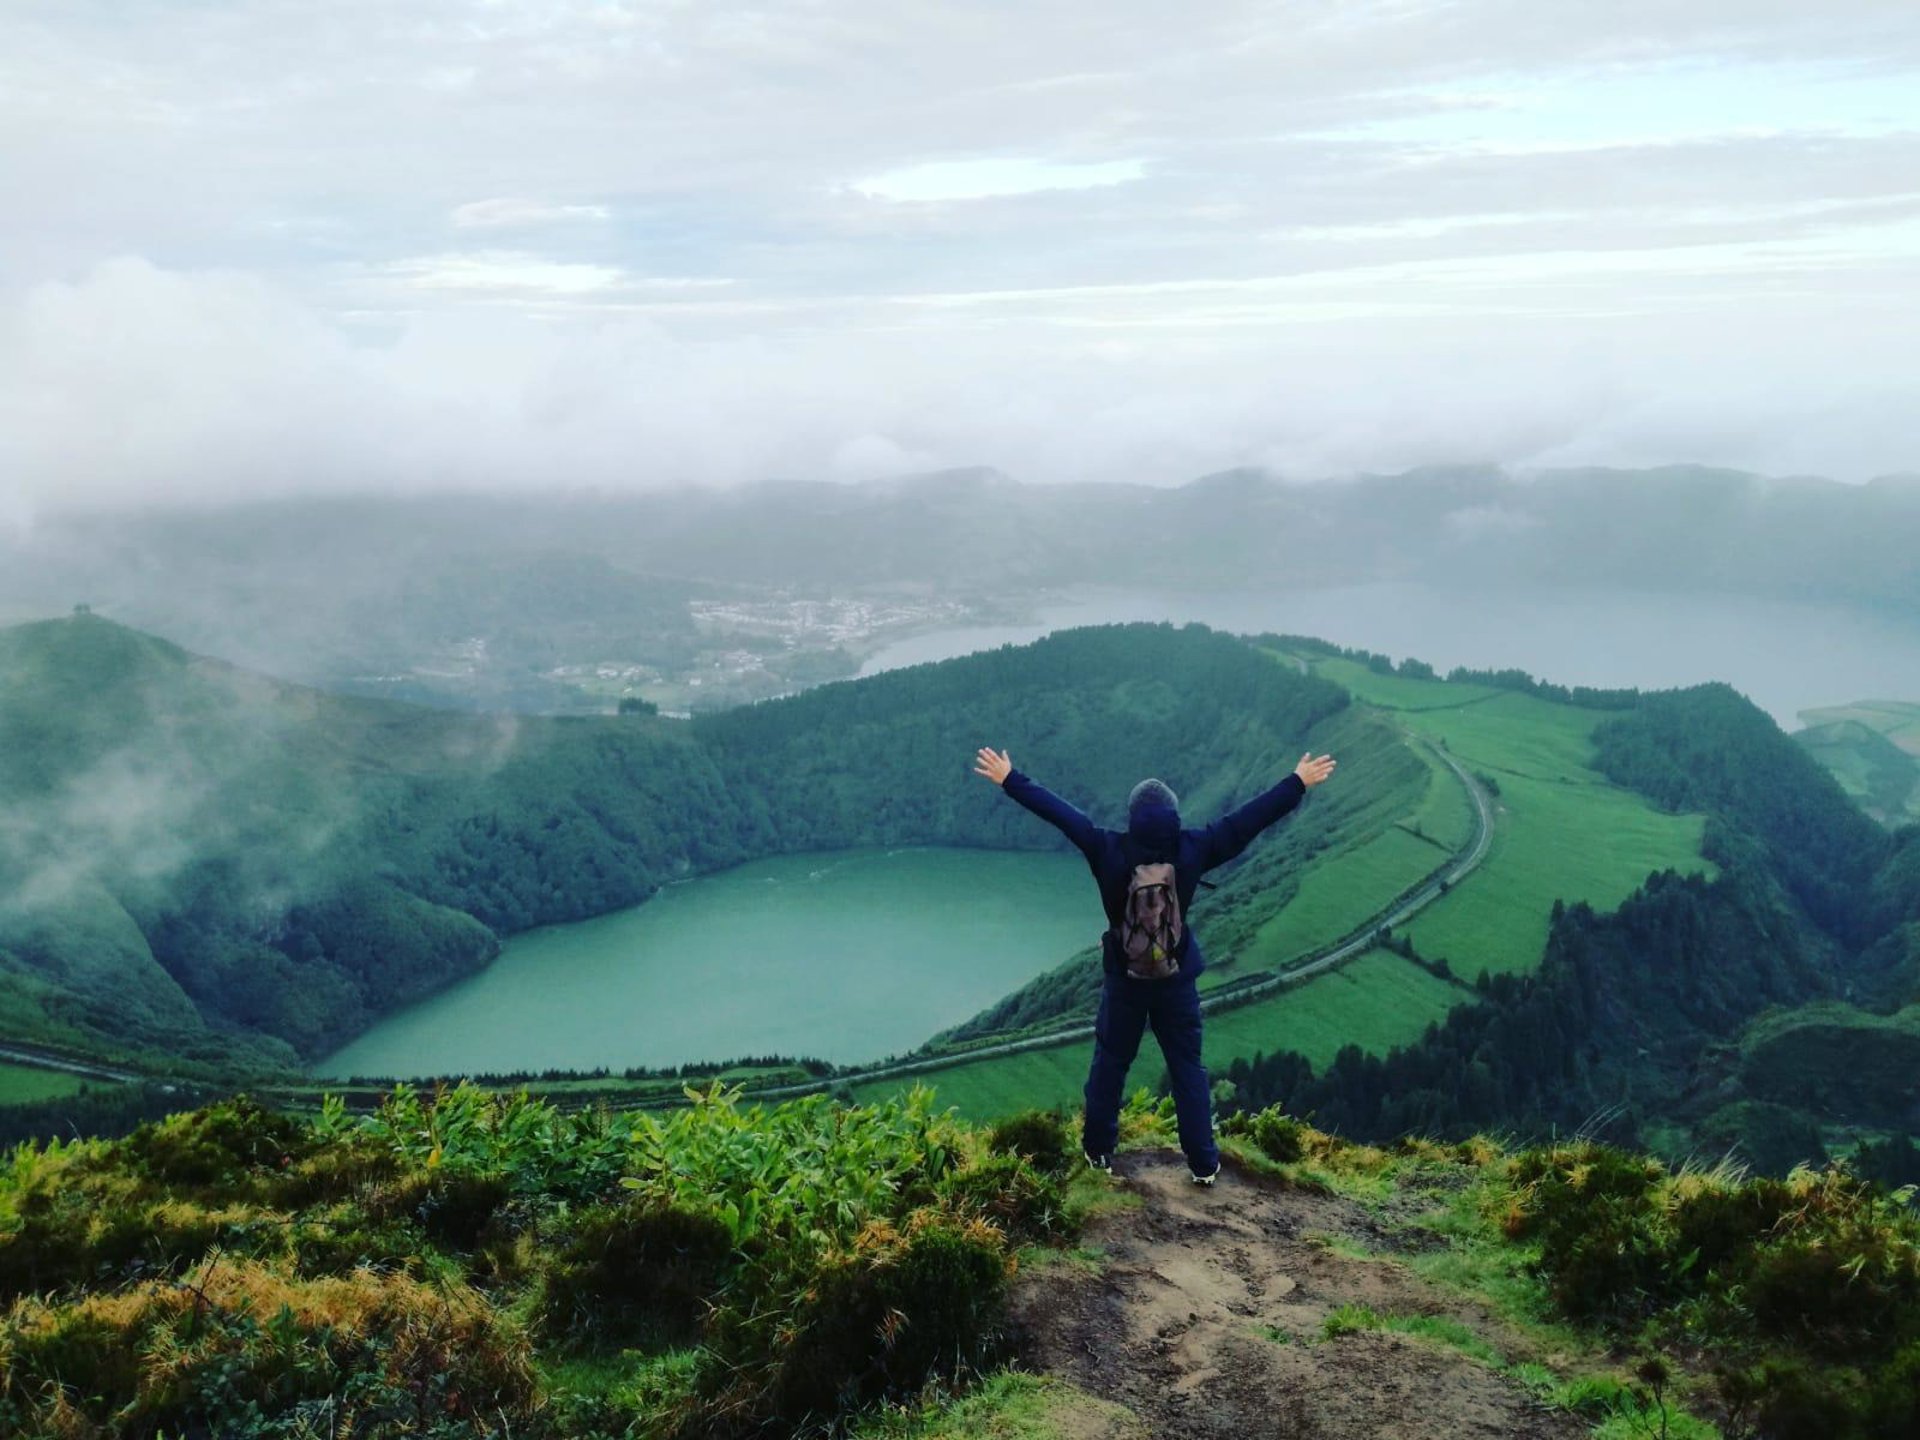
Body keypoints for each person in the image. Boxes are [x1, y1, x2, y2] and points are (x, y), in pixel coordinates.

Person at [973, 745, 1337, 1185]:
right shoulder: (1195, 848)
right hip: (1176, 980)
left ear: (1131, 818)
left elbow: (1062, 815)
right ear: (1174, 817)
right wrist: (1297, 781)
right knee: (1187, 1068)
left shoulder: (1106, 849)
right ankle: (1204, 1164)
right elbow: (1249, 820)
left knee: (1110, 1063)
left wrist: (1011, 778)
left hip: (1124, 981)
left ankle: (1099, 1152)